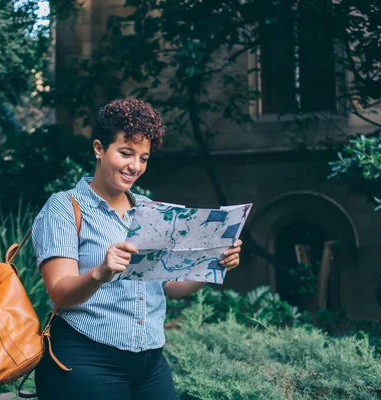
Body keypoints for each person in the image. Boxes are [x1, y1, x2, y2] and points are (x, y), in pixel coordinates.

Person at [31, 98, 243, 400]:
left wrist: (214, 264)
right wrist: (101, 272)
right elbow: (60, 291)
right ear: (99, 149)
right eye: (126, 153)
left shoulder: (152, 210)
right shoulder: (64, 208)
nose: (135, 166)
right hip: (84, 358)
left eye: (143, 158)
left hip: (150, 362)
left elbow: (169, 285)